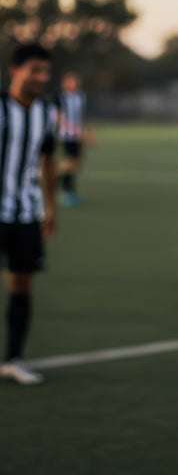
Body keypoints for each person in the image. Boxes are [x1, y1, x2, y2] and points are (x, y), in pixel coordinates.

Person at [0, 44, 57, 385]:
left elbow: (48, 160)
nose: (41, 78)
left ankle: (13, 359)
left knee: (22, 283)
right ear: (15, 70)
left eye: (44, 72)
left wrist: (50, 205)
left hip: (25, 212)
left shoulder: (45, 112)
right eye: (34, 70)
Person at [55, 70, 94, 207]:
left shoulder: (80, 96)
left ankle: (68, 190)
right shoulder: (59, 97)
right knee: (71, 162)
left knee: (76, 164)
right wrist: (76, 131)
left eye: (75, 80)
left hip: (78, 134)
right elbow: (59, 119)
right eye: (70, 81)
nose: (73, 83)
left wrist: (87, 133)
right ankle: (64, 189)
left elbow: (81, 117)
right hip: (67, 135)